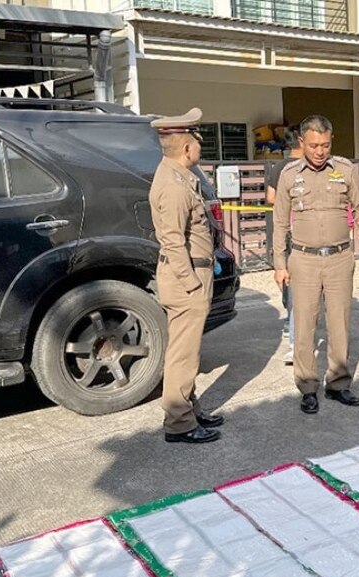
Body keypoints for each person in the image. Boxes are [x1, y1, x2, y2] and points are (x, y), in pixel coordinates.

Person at [273, 115, 359, 415]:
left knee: (339, 323)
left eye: (325, 145)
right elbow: (278, 223)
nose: (320, 151)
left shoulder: (344, 169)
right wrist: (279, 263)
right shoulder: (289, 174)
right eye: (314, 145)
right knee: (304, 325)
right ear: (303, 142)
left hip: (340, 258)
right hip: (303, 260)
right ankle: (307, 387)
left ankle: (338, 384)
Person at [148, 107, 225, 444]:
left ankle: (190, 408)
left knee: (189, 351)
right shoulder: (175, 186)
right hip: (187, 279)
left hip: (193, 274)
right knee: (183, 354)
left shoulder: (178, 177)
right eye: (197, 140)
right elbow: (173, 240)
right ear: (186, 147)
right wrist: (192, 282)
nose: (199, 146)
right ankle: (179, 423)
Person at [266, 125, 303, 365]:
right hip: (292, 233)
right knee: (293, 284)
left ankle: (292, 323)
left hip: (284, 233)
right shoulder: (293, 168)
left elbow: (270, 197)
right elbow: (273, 199)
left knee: (288, 283)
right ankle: (294, 325)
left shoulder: (278, 167)